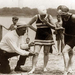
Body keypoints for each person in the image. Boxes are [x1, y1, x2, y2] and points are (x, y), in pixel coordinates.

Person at [26, 6, 56, 73]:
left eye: (44, 15)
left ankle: (44, 67)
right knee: (36, 53)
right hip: (38, 37)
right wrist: (36, 30)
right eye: (42, 15)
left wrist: (47, 23)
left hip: (48, 37)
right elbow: (28, 24)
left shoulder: (49, 16)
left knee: (46, 53)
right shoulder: (36, 17)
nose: (43, 16)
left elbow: (54, 27)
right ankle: (33, 68)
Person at [57, 5, 75, 75]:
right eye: (60, 14)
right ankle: (70, 69)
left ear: (67, 12)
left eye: (63, 14)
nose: (62, 16)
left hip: (74, 37)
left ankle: (65, 70)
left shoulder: (73, 17)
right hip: (67, 36)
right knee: (70, 53)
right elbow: (60, 26)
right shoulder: (62, 17)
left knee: (64, 51)